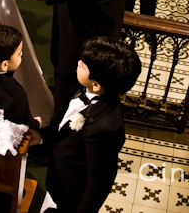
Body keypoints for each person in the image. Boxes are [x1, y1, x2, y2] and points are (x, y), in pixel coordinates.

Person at [43, 38, 141, 213]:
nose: (78, 63)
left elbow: (99, 182)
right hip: (59, 178)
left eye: (84, 65)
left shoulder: (104, 127)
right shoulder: (84, 90)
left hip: (73, 193)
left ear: (96, 85)